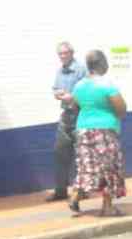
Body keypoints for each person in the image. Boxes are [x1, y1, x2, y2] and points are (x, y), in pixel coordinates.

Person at [69, 50, 127, 217]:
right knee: (109, 168)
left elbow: (75, 106)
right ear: (103, 64)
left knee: (87, 167)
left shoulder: (79, 85)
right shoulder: (106, 85)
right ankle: (107, 207)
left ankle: (75, 196)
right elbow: (121, 109)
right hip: (105, 131)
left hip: (83, 130)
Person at [49, 42, 88, 202]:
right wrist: (57, 93)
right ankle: (60, 191)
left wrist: (72, 97)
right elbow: (55, 89)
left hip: (80, 115)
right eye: (60, 54)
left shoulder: (81, 70)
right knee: (60, 153)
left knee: (82, 155)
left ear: (72, 53)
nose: (62, 56)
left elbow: (86, 92)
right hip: (66, 115)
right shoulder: (60, 71)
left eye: (65, 53)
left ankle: (82, 190)